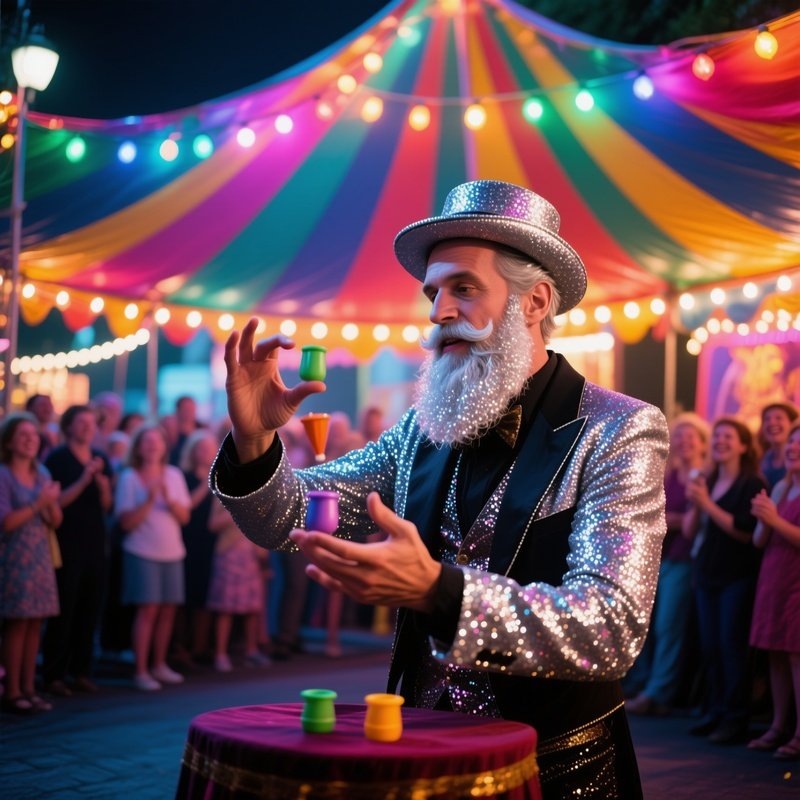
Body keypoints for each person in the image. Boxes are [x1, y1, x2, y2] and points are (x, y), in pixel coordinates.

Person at [211, 180, 669, 798]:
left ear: (534, 302)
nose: (438, 312)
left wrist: (439, 590)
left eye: (464, 287)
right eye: (433, 292)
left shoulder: (620, 428)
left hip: (554, 770)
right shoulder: (422, 428)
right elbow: (289, 518)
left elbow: (610, 629)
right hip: (422, 756)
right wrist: (253, 443)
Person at [683, 417, 767, 744]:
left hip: (736, 575)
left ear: (744, 445)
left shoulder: (752, 483)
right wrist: (696, 504)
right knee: (711, 646)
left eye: (728, 436)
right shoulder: (710, 478)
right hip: (705, 571)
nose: (720, 441)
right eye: (716, 436)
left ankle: (736, 718)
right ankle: (715, 710)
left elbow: (745, 532)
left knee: (731, 647)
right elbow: (691, 531)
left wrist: (706, 504)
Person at [627, 412, 710, 716]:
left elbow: (687, 524)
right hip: (659, 558)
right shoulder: (668, 475)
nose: (684, 441)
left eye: (691, 437)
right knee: (648, 626)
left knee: (668, 627)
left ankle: (659, 692)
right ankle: (644, 682)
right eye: (679, 435)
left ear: (703, 443)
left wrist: (667, 520)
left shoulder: (703, 477)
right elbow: (647, 515)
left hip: (686, 559)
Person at [41, 405, 113, 696]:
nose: (87, 427)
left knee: (89, 606)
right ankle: (54, 674)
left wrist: (102, 485)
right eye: (81, 422)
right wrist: (84, 479)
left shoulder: (101, 459)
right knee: (65, 608)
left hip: (95, 542)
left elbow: (107, 505)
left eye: (91, 423)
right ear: (69, 426)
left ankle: (81, 671)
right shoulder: (57, 459)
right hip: (67, 541)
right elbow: (56, 503)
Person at [115, 424, 191, 691]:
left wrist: (169, 500)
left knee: (168, 610)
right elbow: (125, 523)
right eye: (146, 442)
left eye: (156, 442)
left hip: (172, 551)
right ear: (137, 447)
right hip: (141, 551)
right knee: (147, 610)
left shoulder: (173, 475)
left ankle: (159, 664)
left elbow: (184, 517)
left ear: (163, 446)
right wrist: (148, 500)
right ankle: (141, 670)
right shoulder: (129, 477)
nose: (152, 446)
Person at [0, 413, 63, 714]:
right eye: (23, 434)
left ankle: (29, 687)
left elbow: (56, 520)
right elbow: (7, 522)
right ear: (9, 442)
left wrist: (49, 503)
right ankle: (12, 691)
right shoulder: (3, 475)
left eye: (34, 435)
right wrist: (39, 502)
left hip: (39, 556)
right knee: (16, 623)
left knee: (36, 623)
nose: (30, 439)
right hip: (13, 556)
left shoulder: (43, 473)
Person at [747, 423, 800, 760]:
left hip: (796, 579)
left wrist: (775, 520)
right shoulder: (781, 486)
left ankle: (799, 733)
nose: (793, 446)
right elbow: (757, 539)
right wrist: (765, 518)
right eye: (792, 441)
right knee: (775, 653)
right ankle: (779, 725)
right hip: (773, 575)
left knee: (796, 655)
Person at [207, 498, 271, 672]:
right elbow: (212, 524)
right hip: (229, 554)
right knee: (225, 607)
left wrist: (263, 556)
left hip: (252, 556)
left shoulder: (258, 494)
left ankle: (251, 650)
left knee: (253, 606)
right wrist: (236, 510)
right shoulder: (221, 494)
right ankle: (220, 654)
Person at [758, 402, 798, 489]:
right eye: (767, 419)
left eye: (778, 418)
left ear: (793, 424)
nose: (772, 423)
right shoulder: (760, 460)